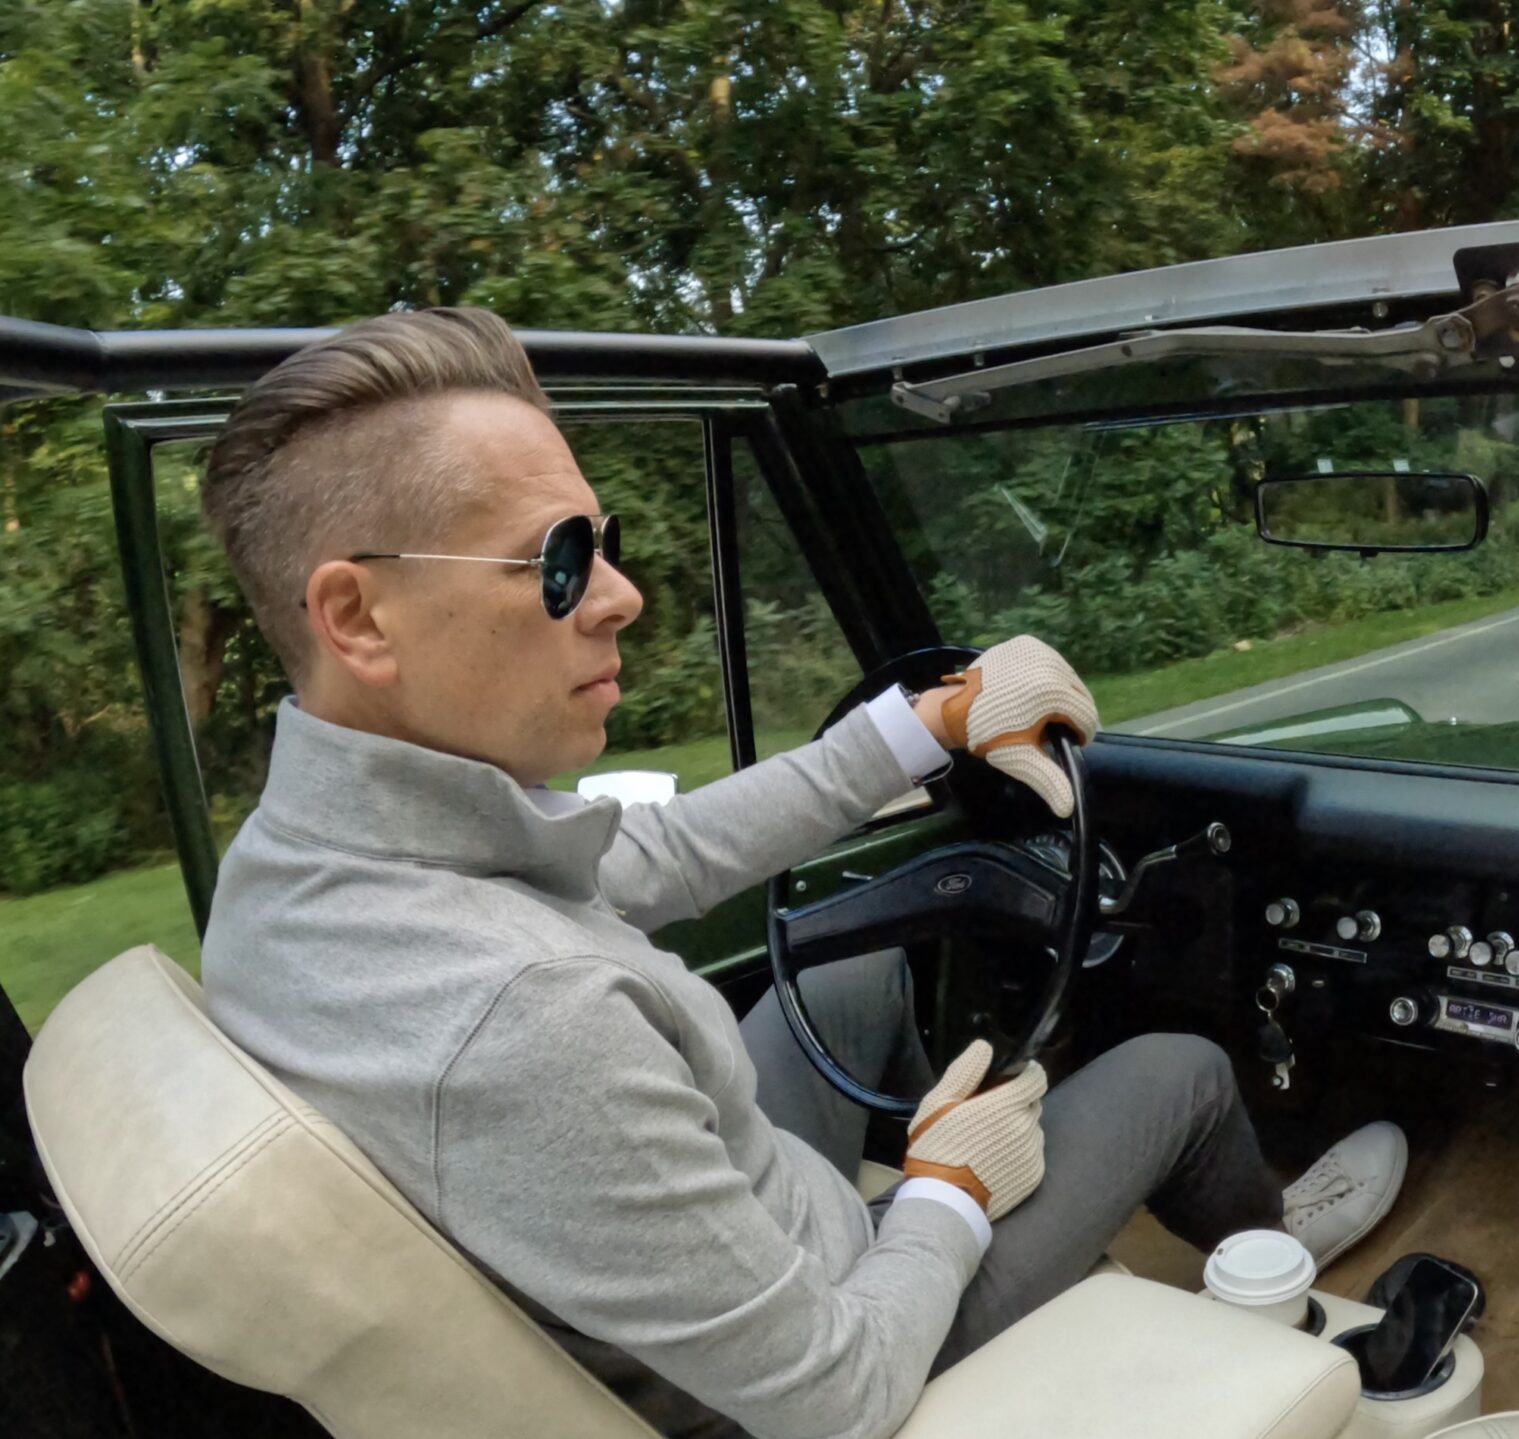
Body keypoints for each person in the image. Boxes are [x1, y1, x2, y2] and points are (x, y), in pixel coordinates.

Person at [193, 308, 1407, 1439]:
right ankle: (1272, 1268)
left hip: (699, 1236)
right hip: (818, 1348)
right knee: (1182, 1072)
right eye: (558, 560)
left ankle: (1028, 1243)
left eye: (601, 544)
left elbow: (651, 857)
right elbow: (832, 1394)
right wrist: (945, 1195)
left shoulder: (302, 860)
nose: (620, 596)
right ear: (358, 616)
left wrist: (924, 726)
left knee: (867, 967)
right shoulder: (531, 1025)